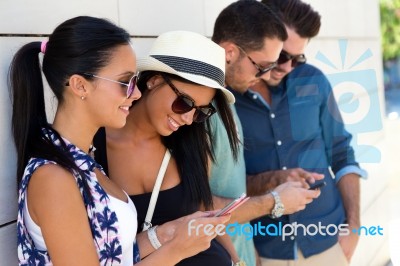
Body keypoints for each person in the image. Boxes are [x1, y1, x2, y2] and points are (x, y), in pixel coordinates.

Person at [11, 16, 227, 266]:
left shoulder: (82, 160)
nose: (136, 93)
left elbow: (114, 255)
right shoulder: (54, 177)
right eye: (125, 82)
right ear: (80, 86)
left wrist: (170, 232)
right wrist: (177, 250)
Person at [232, 0, 368, 265]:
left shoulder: (313, 81)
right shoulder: (229, 97)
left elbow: (342, 154)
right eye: (282, 56)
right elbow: (225, 183)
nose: (287, 67)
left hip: (330, 242)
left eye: (297, 59)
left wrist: (353, 226)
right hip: (266, 250)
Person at [93, 30, 241, 266]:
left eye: (201, 112)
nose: (189, 119)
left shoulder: (191, 145)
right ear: (154, 80)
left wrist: (237, 260)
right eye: (184, 103)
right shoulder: (92, 147)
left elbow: (205, 215)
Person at [209, 1, 323, 265]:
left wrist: (249, 254)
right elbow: (197, 207)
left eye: (296, 59)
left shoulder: (226, 100)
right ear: (230, 52)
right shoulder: (196, 108)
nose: (270, 73)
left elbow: (229, 187)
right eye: (264, 65)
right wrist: (274, 201)